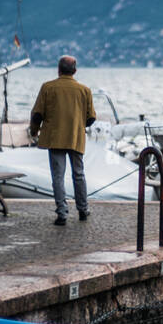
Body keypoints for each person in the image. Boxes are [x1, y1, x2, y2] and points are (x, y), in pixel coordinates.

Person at [29, 56, 96, 225]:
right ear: (75, 70)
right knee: (79, 174)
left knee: (58, 177)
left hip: (55, 138)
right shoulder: (84, 90)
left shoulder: (48, 87)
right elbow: (91, 118)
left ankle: (62, 214)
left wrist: (34, 132)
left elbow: (37, 114)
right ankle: (83, 209)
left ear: (58, 69)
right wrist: (79, 125)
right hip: (75, 137)